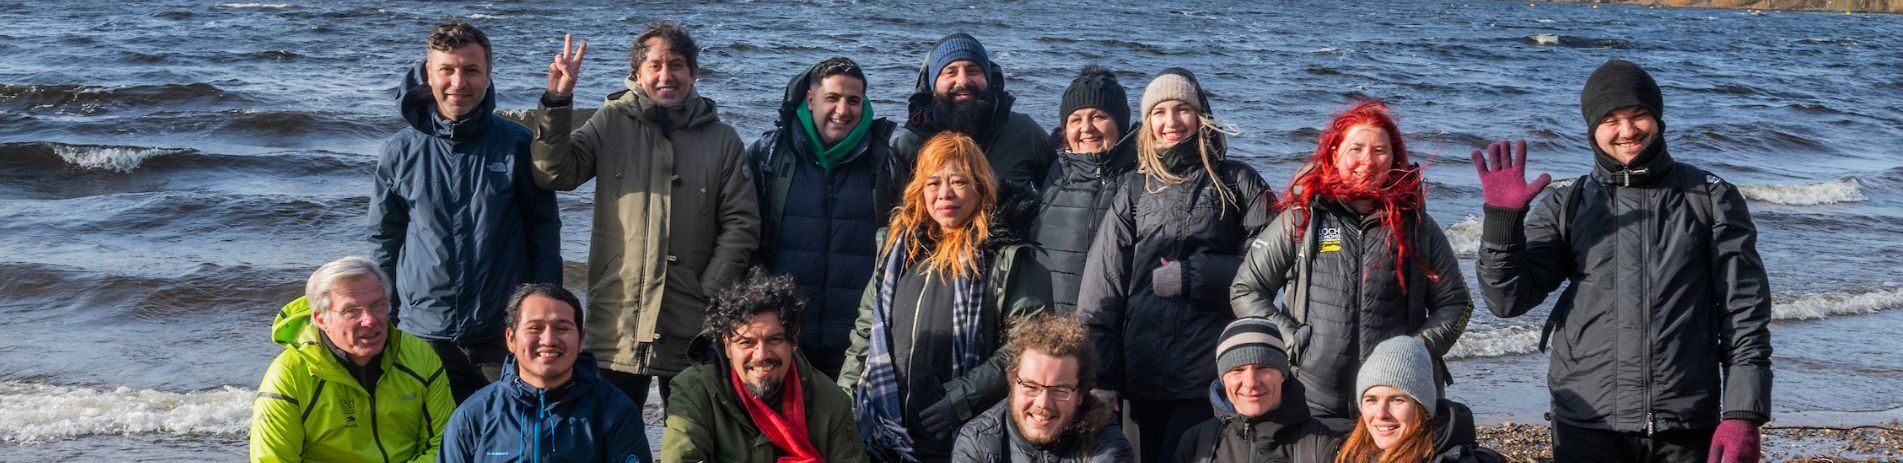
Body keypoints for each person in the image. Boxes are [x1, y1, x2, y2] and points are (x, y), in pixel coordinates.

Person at [1470, 59, 1771, 462]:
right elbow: (1507, 300)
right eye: (1611, 119)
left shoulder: (1710, 197)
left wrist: (1742, 415)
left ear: (1658, 119)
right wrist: (1502, 223)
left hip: (1684, 422)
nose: (1627, 131)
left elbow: (1745, 312)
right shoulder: (1568, 204)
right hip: (1587, 421)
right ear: (1593, 128)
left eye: (1638, 115)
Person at [535, 22, 761, 409]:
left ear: (694, 72)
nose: (665, 75)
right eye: (655, 65)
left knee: (689, 433)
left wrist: (708, 289)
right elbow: (554, 173)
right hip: (619, 315)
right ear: (638, 73)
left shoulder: (722, 140)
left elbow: (741, 224)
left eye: (676, 65)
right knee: (610, 432)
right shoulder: (611, 122)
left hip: (692, 318)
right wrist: (557, 103)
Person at [1229, 100, 1471, 432]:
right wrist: (1291, 340)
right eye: (1356, 148)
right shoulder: (1303, 218)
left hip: (1392, 406)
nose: (1368, 161)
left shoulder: (1416, 226)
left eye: (1380, 151)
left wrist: (1417, 350)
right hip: (1310, 399)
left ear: (1394, 158)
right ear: (1334, 153)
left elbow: (1457, 303)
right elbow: (1246, 289)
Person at [1074, 68, 1277, 463]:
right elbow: (1102, 291)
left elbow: (1269, 268)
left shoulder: (1237, 181)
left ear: (1200, 114)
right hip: (1143, 376)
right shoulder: (1134, 188)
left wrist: (1195, 276)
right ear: (1147, 123)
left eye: (1181, 109)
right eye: (1159, 112)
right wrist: (1102, 380)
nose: (1171, 122)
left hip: (1211, 372)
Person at [369, 20, 562, 402]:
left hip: (502, 329)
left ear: (488, 75)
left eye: (471, 70)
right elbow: (384, 238)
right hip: (424, 329)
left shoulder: (517, 144)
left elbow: (543, 231)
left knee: (513, 439)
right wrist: (384, 313)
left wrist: (545, 308)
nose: (459, 83)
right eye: (448, 70)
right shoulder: (399, 151)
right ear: (429, 74)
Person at [837, 132, 1053, 462]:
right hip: (885, 424)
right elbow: (866, 330)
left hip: (965, 427)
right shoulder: (897, 251)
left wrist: (960, 399)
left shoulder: (1008, 257)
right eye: (933, 183)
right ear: (919, 191)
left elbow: (1027, 346)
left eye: (959, 181)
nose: (945, 194)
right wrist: (845, 398)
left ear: (981, 188)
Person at [746, 56, 900, 379]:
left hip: (855, 339)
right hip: (781, 331)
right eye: (832, 98)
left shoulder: (885, 162)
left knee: (842, 427)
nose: (843, 111)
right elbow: (743, 233)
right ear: (811, 99)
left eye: (853, 101)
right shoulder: (770, 153)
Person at [250, 256, 454, 462]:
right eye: (351, 311)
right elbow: (272, 459)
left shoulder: (418, 354)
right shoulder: (288, 375)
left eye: (377, 306)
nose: (370, 320)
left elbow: (443, 443)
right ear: (321, 319)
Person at [662, 268, 867, 462]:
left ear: (793, 340)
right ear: (727, 345)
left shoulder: (830, 401)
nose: (761, 355)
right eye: (746, 342)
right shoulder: (695, 391)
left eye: (774, 340)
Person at [438, 284, 651, 462]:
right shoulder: (474, 415)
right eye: (535, 328)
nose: (548, 340)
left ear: (581, 339)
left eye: (562, 328)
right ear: (511, 339)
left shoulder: (613, 411)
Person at [952, 313, 1134, 463]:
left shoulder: (1104, 440)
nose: (1043, 403)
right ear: (1013, 383)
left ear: (1080, 394)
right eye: (1031, 386)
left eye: (1060, 390)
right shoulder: (977, 442)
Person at [1032, 65, 1136, 313]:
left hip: (1110, 332)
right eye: (1075, 120)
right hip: (1048, 335)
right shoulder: (1051, 176)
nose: (1086, 128)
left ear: (1120, 125)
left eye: (1098, 116)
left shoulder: (1139, 181)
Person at [891, 33, 1054, 190]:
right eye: (950, 72)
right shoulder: (909, 146)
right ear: (933, 88)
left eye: (972, 70)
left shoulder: (1025, 132)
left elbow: (1062, 195)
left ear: (988, 80)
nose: (962, 81)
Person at [1171, 318, 1339, 463]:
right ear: (1224, 379)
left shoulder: (1322, 445)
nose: (1250, 382)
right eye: (1238, 370)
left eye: (1263, 368)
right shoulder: (1197, 444)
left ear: (1283, 375)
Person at [1333, 337, 1503, 463]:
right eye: (1371, 400)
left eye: (1397, 400)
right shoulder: (1354, 454)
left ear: (1422, 406)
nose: (1381, 413)